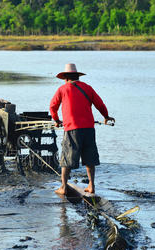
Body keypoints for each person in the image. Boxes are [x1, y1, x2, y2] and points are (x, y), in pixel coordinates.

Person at [49, 63, 115, 195]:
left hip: (72, 129)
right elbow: (100, 104)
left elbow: (52, 107)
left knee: (67, 158)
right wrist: (106, 116)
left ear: (66, 77)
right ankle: (91, 186)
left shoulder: (62, 89)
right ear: (77, 76)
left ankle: (63, 187)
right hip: (89, 129)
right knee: (89, 158)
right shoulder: (88, 88)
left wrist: (56, 120)